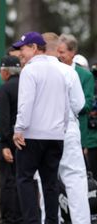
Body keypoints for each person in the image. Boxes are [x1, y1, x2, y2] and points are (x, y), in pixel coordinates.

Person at [12, 31, 69, 224]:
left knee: (25, 178)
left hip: (32, 134)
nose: (20, 53)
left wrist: (19, 129)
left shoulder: (30, 70)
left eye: (23, 49)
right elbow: (65, 107)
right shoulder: (59, 71)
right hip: (55, 135)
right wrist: (60, 128)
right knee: (51, 183)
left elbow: (25, 104)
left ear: (35, 48)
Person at [43, 32, 97, 224]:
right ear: (56, 48)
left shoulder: (32, 70)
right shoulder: (68, 72)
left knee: (45, 176)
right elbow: (80, 104)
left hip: (43, 128)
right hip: (67, 126)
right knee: (74, 175)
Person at [57, 34, 97, 182]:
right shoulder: (54, 70)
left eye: (62, 52)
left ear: (72, 52)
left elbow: (86, 105)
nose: (58, 56)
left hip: (76, 132)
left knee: (74, 177)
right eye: (57, 52)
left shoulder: (85, 75)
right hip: (53, 131)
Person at [0, 55, 23, 224]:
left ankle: (8, 222)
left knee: (7, 181)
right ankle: (24, 222)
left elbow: (4, 119)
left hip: (10, 141)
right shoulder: (28, 85)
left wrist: (5, 144)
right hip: (27, 139)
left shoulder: (5, 88)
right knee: (25, 180)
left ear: (5, 72)